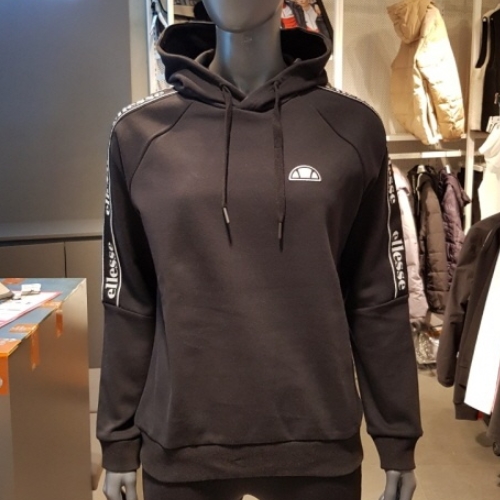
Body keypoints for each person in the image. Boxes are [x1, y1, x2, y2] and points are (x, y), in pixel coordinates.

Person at [97, 1, 422, 499]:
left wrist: (396, 434)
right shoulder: (140, 133)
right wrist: (118, 439)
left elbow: (376, 292)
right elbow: (128, 296)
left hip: (317, 437)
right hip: (184, 437)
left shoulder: (352, 126)